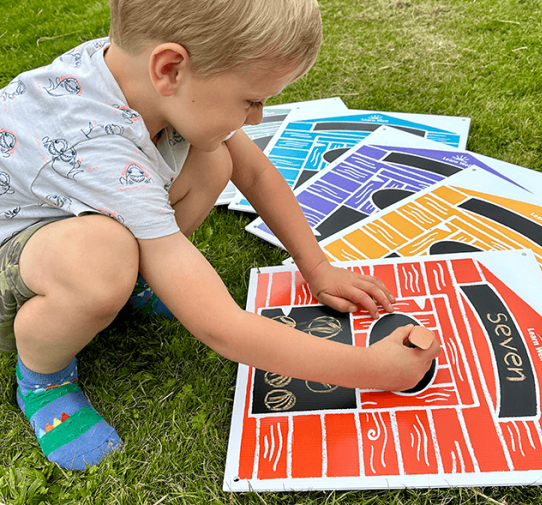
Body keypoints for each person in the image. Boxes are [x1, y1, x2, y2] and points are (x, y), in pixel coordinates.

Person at [0, 0, 440, 470]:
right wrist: (372, 369)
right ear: (170, 67)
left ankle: (130, 285)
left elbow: (255, 173)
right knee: (101, 259)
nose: (256, 116)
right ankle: (44, 378)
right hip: (19, 268)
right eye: (251, 100)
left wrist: (317, 267)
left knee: (214, 155)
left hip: (62, 226)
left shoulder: (140, 75)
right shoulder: (97, 151)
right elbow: (219, 327)